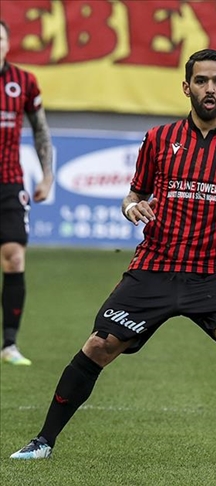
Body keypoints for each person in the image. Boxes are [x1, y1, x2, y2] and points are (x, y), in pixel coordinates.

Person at [9, 49, 216, 467]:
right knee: (99, 345)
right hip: (153, 267)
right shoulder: (158, 139)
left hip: (211, 274)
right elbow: (135, 193)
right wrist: (130, 206)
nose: (209, 89)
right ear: (186, 87)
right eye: (201, 81)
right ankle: (43, 439)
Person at [0, 19, 54, 366]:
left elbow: (40, 131)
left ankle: (9, 345)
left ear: (7, 44)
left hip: (9, 182)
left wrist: (48, 176)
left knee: (14, 257)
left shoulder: (24, 82)